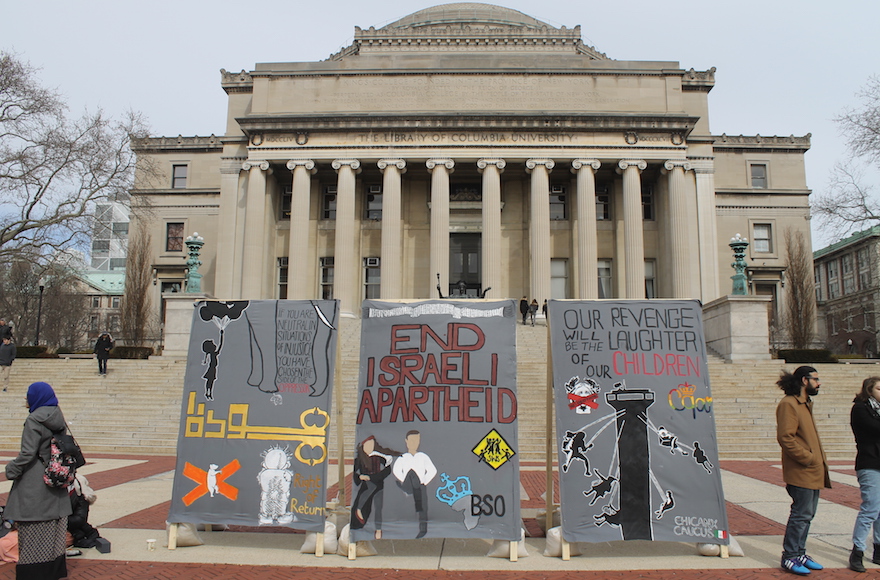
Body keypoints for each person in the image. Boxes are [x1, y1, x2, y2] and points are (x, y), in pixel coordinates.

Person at [5, 381, 73, 580]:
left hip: (35, 481)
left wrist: (12, 469)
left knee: (32, 530)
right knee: (53, 530)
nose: (25, 399)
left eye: (28, 395)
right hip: (55, 477)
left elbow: (27, 453)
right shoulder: (57, 415)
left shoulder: (34, 419)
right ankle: (54, 571)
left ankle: (32, 573)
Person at [776, 366, 830, 575]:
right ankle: (790, 556)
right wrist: (807, 458)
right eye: (815, 379)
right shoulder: (789, 404)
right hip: (802, 470)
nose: (819, 383)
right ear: (804, 380)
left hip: (812, 470)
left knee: (808, 515)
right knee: (800, 515)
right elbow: (785, 437)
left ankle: (799, 552)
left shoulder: (804, 403)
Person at [848, 376, 880, 572]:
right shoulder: (861, 409)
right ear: (869, 390)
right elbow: (875, 429)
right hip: (869, 463)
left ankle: (878, 549)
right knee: (870, 508)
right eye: (879, 388)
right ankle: (857, 551)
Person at [351, 436, 399, 540]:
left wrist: (372, 477)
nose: (370, 447)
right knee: (368, 500)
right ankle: (359, 512)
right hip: (366, 485)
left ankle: (378, 529)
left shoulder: (378, 457)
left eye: (372, 445)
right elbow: (354, 473)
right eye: (368, 445)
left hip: (378, 484)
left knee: (378, 507)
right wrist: (360, 477)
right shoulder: (360, 459)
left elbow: (387, 470)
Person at [392, 430, 437, 538]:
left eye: (417, 440)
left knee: (423, 507)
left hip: (420, 486)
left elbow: (432, 470)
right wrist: (404, 480)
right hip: (408, 483)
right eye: (412, 440)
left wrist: (424, 482)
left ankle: (423, 530)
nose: (414, 443)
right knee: (411, 473)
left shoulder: (423, 456)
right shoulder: (403, 457)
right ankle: (407, 488)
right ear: (406, 441)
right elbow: (396, 470)